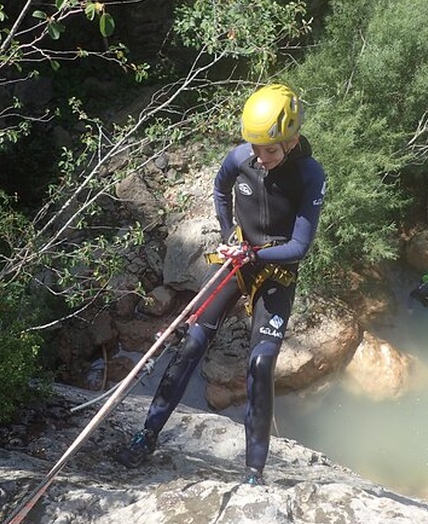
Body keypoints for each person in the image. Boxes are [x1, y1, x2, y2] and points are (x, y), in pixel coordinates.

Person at [115, 84, 327, 486]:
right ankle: (147, 434)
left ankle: (253, 471)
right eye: (256, 148)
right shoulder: (240, 158)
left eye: (271, 150)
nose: (261, 159)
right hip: (238, 259)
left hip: (274, 271)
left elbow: (298, 247)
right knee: (192, 341)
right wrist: (230, 232)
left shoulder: (309, 175)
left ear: (292, 140)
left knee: (260, 363)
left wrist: (252, 254)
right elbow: (219, 189)